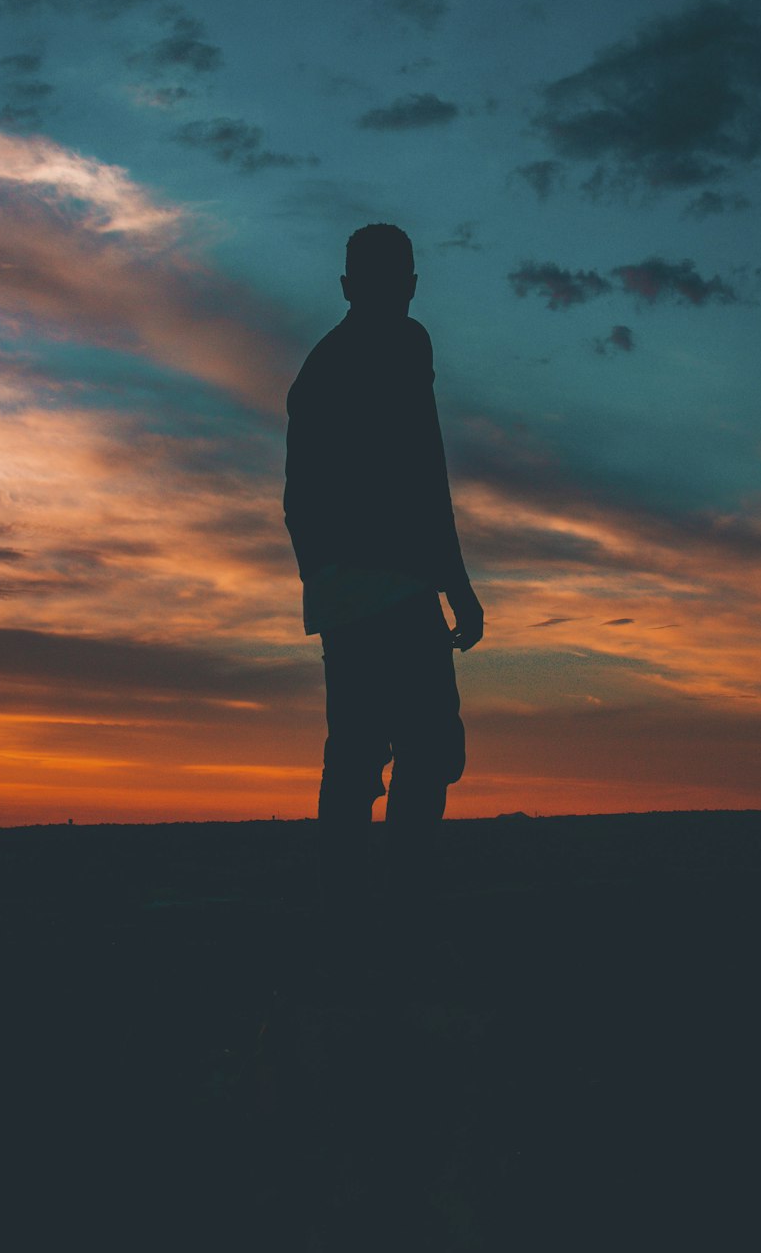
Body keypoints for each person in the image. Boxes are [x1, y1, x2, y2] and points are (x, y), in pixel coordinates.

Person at [283, 223, 483, 970]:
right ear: (390, 286)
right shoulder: (403, 344)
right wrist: (454, 584)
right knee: (427, 748)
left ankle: (352, 927)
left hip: (347, 591)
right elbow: (422, 472)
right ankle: (401, 923)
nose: (404, 293)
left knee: (359, 757)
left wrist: (323, 581)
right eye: (397, 280)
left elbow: (296, 499)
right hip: (392, 584)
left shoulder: (318, 369)